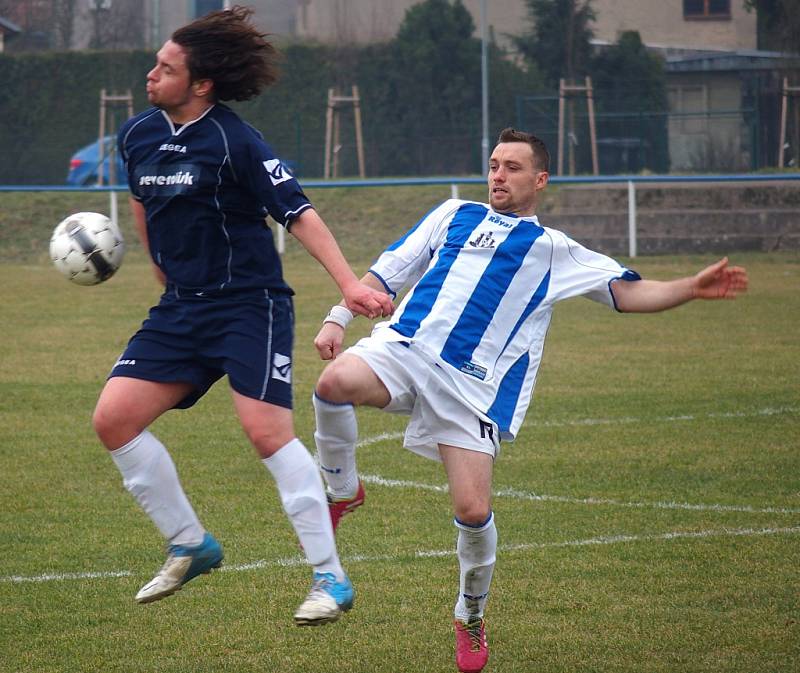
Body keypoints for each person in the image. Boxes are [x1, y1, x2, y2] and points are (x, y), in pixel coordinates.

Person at [310, 128, 749, 671]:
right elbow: (388, 270)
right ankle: (342, 491)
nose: (498, 175)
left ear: (540, 180)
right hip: (403, 349)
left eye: (512, 167)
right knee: (332, 384)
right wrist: (338, 317)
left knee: (472, 512)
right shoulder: (452, 214)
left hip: (471, 390)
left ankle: (470, 613)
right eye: (494, 165)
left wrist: (689, 287)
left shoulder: (553, 250)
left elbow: (625, 293)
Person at [91, 6, 392, 626]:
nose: (152, 74)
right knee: (113, 420)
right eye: (157, 63)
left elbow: (298, 212)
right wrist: (159, 269)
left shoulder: (236, 140)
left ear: (200, 83)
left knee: (266, 434)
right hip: (181, 309)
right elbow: (141, 201)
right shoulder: (137, 134)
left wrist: (347, 284)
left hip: (248, 305)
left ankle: (329, 579)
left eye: (166, 67)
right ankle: (189, 543)